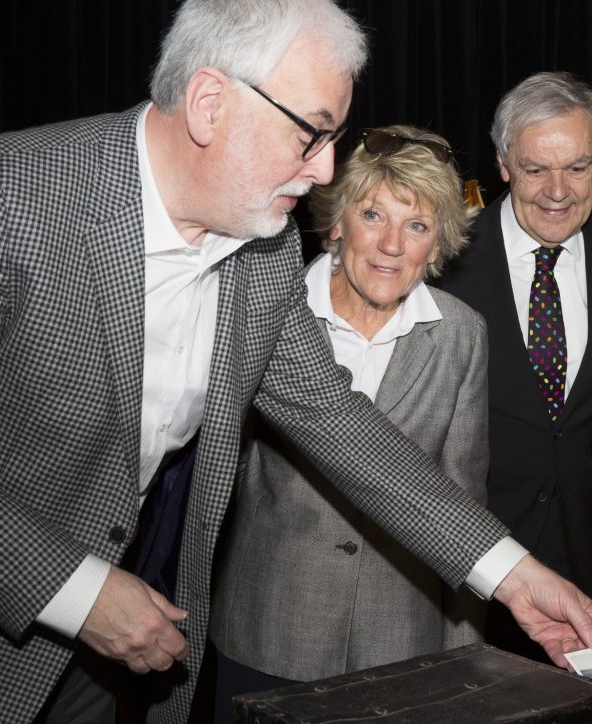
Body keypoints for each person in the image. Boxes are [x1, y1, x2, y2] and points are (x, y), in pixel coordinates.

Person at [0, 5, 592, 723]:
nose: (325, 169)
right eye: (311, 132)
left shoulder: (263, 249)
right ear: (212, 103)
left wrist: (513, 576)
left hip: (103, 668)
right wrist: (78, 589)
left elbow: (337, 421)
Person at [209, 125, 487, 720]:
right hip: (270, 626)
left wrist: (464, 658)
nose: (391, 245)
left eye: (417, 226)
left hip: (403, 642)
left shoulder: (462, 334)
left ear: (438, 244)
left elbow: (462, 496)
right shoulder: (268, 309)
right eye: (372, 215)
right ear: (337, 221)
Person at [438, 71, 592, 660]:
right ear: (504, 165)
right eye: (536, 169)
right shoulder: (444, 260)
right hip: (466, 563)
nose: (558, 191)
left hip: (584, 548)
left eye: (577, 167)